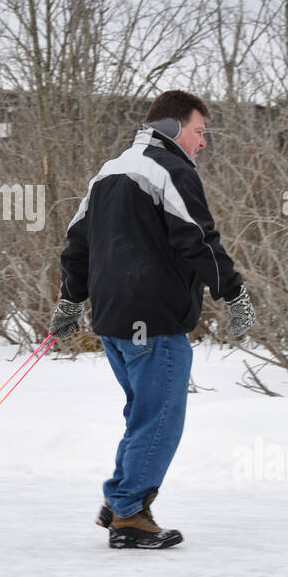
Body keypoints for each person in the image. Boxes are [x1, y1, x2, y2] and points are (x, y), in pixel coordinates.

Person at [49, 90, 255, 550]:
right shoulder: (169, 169)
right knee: (160, 418)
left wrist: (69, 302)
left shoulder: (110, 169)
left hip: (114, 323)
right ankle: (129, 516)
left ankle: (121, 499)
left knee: (142, 414)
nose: (202, 142)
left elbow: (76, 244)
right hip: (155, 320)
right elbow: (199, 239)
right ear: (172, 127)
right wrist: (234, 293)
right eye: (199, 131)